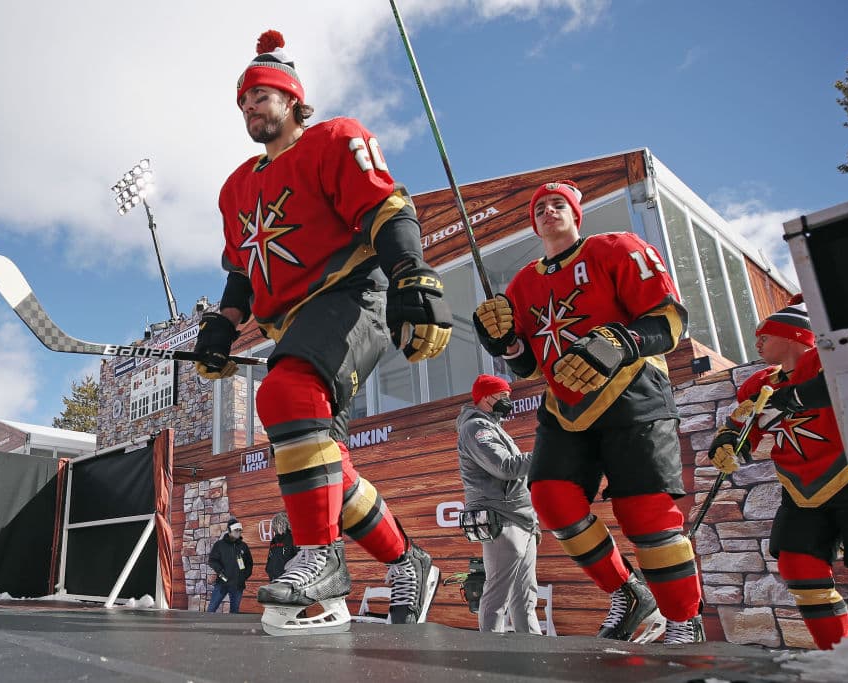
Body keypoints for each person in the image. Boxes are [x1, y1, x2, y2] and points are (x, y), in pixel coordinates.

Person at [193, 30, 452, 635]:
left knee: (283, 394)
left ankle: (324, 562)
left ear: (291, 99)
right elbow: (241, 271)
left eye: (261, 95)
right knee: (328, 460)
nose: (250, 107)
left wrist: (412, 272)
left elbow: (387, 208)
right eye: (243, 101)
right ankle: (406, 559)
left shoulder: (337, 139)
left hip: (353, 290)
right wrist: (222, 329)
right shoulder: (235, 188)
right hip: (294, 321)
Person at [473, 180, 705, 645]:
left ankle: (684, 619)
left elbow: (670, 319)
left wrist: (623, 339)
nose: (549, 211)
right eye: (540, 207)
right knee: (551, 500)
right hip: (565, 406)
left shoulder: (617, 247)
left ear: (577, 214)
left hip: (633, 392)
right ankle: (627, 591)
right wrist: (504, 342)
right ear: (533, 222)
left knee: (646, 515)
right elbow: (525, 365)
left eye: (559, 204)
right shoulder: (522, 283)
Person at [707, 296, 848, 650]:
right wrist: (729, 444)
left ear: (794, 334)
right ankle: (839, 655)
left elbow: (840, 383)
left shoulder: (824, 361)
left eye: (765, 335)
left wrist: (786, 400)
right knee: (800, 570)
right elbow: (740, 424)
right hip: (799, 489)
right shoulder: (760, 384)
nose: (757, 343)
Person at [455, 374, 541, 634]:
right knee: (498, 595)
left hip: (521, 519)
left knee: (525, 596)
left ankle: (534, 656)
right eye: (503, 397)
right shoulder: (475, 428)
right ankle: (492, 655)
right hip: (501, 520)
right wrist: (546, 454)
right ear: (484, 397)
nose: (508, 401)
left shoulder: (493, 428)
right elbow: (504, 467)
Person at [207, 517, 253, 613]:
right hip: (222, 583)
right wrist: (220, 571)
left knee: (234, 613)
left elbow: (249, 563)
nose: (238, 532)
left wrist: (243, 576)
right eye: (235, 530)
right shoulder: (219, 545)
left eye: (239, 530)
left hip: (237, 585)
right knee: (211, 610)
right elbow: (212, 560)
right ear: (229, 530)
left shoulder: (243, 546)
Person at [265, 511, 298, 582]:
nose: (276, 527)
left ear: (284, 523)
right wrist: (269, 569)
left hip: (287, 579)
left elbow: (298, 558)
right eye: (275, 525)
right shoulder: (274, 540)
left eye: (278, 524)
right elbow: (270, 558)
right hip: (274, 579)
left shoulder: (292, 538)